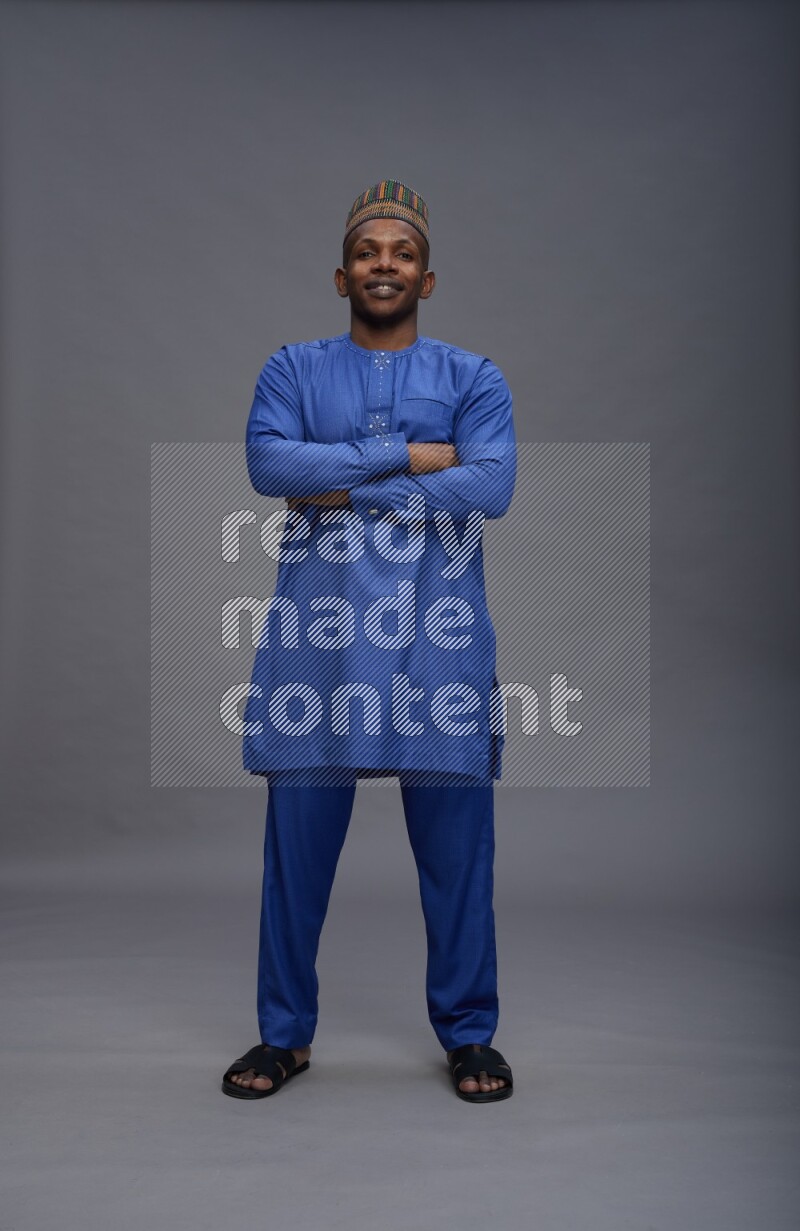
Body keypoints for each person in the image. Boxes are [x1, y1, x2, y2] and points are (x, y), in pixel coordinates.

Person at [221, 180, 517, 1103]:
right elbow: (271, 465)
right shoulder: (292, 368)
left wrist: (344, 484)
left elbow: (493, 488)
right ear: (340, 272)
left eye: (400, 252)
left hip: (439, 638)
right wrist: (419, 455)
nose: (382, 263)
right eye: (366, 250)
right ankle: (283, 1036)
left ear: (426, 278)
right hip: (321, 642)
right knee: (295, 852)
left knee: (459, 851)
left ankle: (470, 1034)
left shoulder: (474, 378)